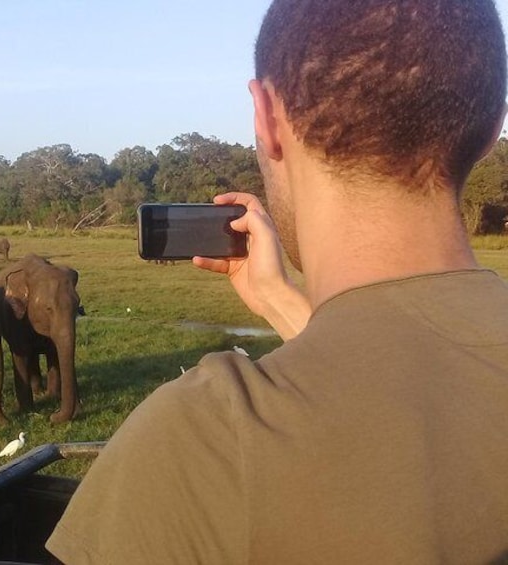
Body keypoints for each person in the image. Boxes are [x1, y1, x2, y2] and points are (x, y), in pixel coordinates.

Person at [46, 0, 508, 563]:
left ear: (266, 118)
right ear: (492, 127)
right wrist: (279, 299)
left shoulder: (207, 440)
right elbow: (413, 366)